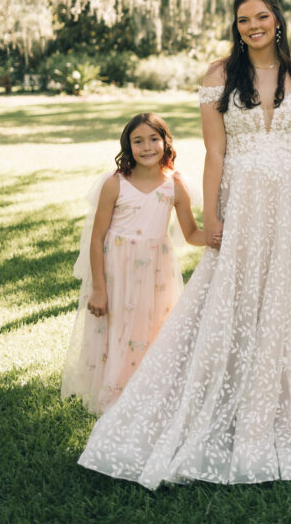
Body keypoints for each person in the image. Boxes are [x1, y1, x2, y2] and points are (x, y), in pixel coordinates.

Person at [78, 0, 291, 488]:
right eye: (244, 19)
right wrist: (213, 215)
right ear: (237, 26)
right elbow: (215, 151)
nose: (253, 26)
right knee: (235, 295)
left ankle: (289, 397)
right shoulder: (219, 75)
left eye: (261, 16)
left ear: (277, 19)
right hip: (241, 195)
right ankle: (229, 396)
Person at [61, 113, 202, 415]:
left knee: (153, 332)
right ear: (128, 146)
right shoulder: (116, 184)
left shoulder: (175, 186)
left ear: (166, 143)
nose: (147, 147)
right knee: (119, 332)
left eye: (154, 139)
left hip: (156, 273)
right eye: (138, 141)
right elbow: (97, 239)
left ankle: (147, 400)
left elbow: (191, 233)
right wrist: (99, 289)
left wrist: (222, 235)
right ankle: (114, 403)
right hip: (116, 273)